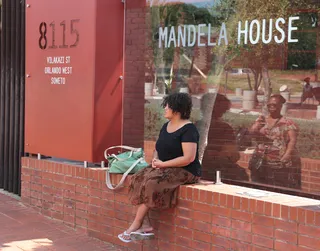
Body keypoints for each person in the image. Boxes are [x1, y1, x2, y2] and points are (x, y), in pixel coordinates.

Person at [118, 92, 201, 243]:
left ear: (177, 109)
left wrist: (163, 165)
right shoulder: (166, 126)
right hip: (165, 166)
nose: (164, 109)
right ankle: (146, 224)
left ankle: (136, 224)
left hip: (185, 170)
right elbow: (159, 147)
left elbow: (189, 158)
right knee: (139, 178)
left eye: (167, 106)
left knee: (151, 183)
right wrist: (156, 161)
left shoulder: (189, 129)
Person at [248, 94, 301, 189]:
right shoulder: (262, 120)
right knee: (258, 187)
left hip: (278, 162)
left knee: (276, 187)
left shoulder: (287, 123)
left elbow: (292, 140)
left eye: (274, 105)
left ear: (280, 106)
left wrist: (287, 155)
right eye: (269, 105)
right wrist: (255, 126)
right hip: (260, 161)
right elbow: (251, 134)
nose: (271, 107)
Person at [199, 93, 249, 182]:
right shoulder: (224, 128)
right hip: (217, 174)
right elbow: (232, 156)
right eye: (224, 111)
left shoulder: (194, 126)